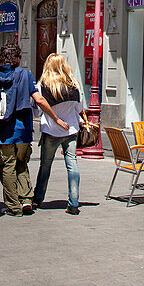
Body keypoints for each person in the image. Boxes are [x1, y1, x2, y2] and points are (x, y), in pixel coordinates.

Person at [0, 42, 69, 217]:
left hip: (2, 132)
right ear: (17, 57)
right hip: (23, 130)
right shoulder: (25, 75)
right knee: (21, 163)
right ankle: (26, 200)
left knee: (7, 167)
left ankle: (13, 206)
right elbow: (38, 100)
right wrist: (56, 118)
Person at [34, 53, 84, 214]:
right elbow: (78, 108)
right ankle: (74, 202)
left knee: (45, 165)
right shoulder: (74, 83)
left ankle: (38, 198)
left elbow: (37, 112)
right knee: (72, 165)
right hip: (71, 130)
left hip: (51, 131)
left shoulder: (42, 85)